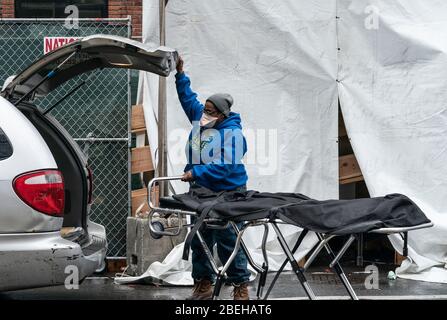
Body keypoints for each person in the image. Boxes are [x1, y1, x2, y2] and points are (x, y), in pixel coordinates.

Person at [175, 56, 250, 300]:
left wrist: (195, 172)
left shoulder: (233, 134)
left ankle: (240, 285)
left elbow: (224, 167)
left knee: (228, 236)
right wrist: (180, 74)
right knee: (199, 236)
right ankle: (203, 283)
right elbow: (188, 100)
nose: (203, 116)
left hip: (228, 190)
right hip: (202, 191)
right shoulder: (202, 118)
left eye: (209, 112)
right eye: (204, 111)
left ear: (222, 114)